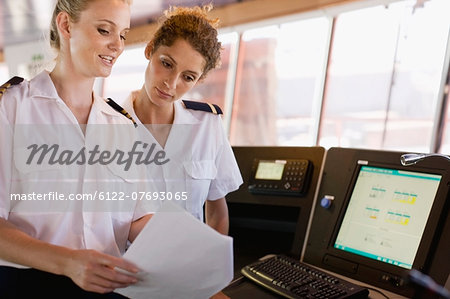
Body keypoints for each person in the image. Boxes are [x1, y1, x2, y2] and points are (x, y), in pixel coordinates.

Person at [0, 0, 146, 297]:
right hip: (28, 286)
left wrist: (188, 255)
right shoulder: (11, 108)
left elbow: (138, 217)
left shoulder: (123, 127)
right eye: (105, 30)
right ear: (66, 25)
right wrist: (69, 263)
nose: (117, 46)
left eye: (123, 35)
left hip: (109, 287)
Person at [121, 5, 243, 297]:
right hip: (129, 282)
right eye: (166, 63)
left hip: (191, 282)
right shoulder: (107, 125)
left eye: (188, 77)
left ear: (199, 81)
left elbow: (216, 211)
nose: (171, 83)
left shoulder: (207, 124)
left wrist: (208, 279)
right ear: (150, 50)